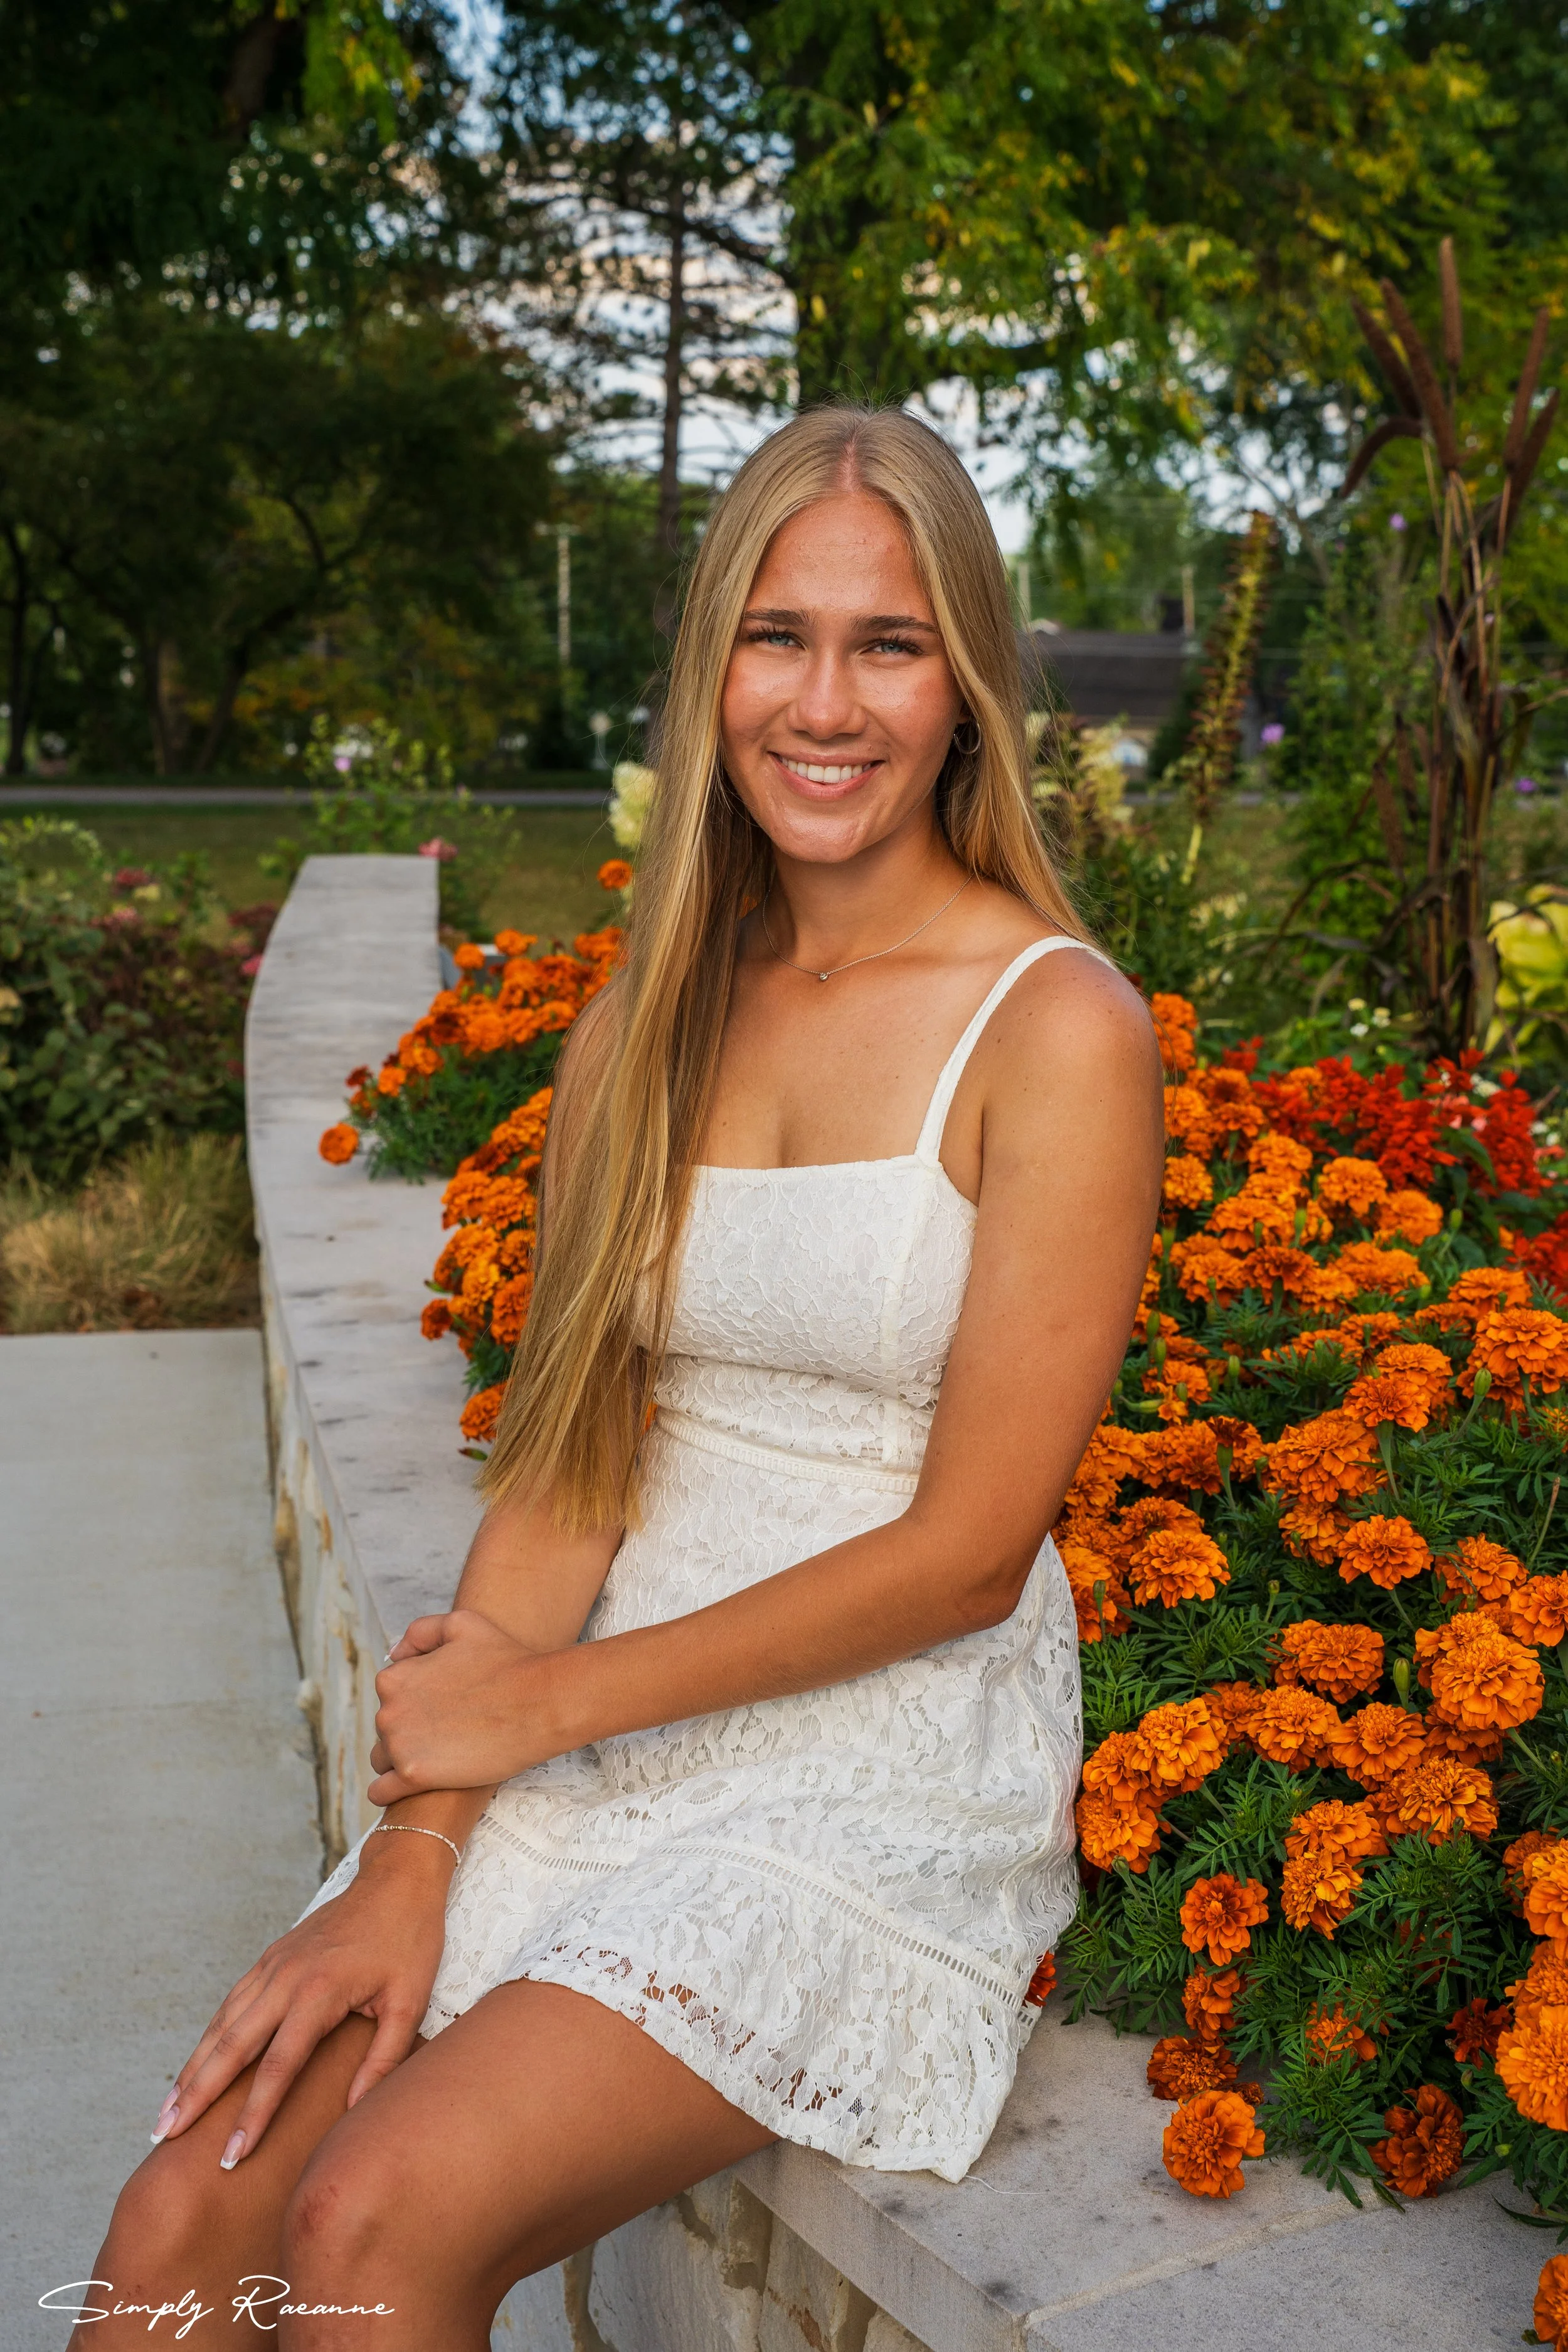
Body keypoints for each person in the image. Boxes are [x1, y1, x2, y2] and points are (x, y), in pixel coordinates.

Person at [75, 405, 1163, 2349]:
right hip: (592, 1708)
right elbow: (574, 1463)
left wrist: (534, 1710)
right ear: (705, 673)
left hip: (877, 1747)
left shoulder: (1053, 1025)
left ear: (968, 682)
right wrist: (412, 1850)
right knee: (177, 2220)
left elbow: (969, 1552)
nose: (824, 701)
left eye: (888, 643)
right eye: (775, 634)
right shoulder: (632, 1029)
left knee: (370, 2218)